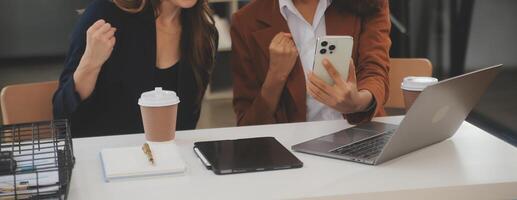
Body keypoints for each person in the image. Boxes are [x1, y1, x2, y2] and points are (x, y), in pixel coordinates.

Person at [53, 0, 218, 137]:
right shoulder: (104, 14)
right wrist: (90, 63)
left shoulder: (203, 35)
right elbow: (62, 115)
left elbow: (186, 126)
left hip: (165, 166)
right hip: (100, 162)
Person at [231, 0, 390, 126]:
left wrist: (357, 102)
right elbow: (248, 124)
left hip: (360, 136)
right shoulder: (245, 22)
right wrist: (275, 77)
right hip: (290, 151)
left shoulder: (369, 3)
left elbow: (375, 71)